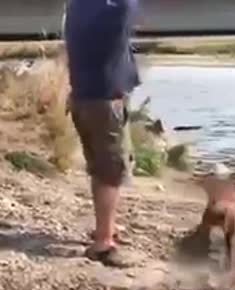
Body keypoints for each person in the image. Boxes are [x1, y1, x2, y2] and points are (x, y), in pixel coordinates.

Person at [64, 0, 141, 267]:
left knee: (100, 167)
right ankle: (103, 244)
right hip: (104, 101)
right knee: (111, 171)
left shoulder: (78, 5)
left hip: (84, 96)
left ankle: (105, 227)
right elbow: (127, 9)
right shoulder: (113, 9)